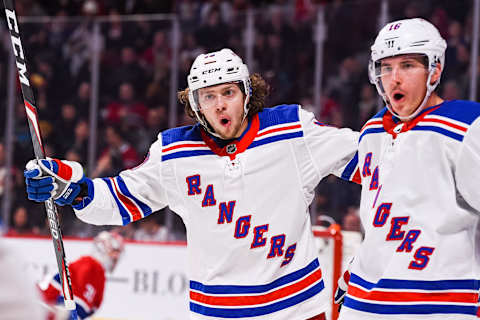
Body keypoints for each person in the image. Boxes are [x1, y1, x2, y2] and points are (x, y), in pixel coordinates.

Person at [24, 48, 359, 320]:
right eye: (209, 97)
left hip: (297, 310)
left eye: (228, 92)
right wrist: (73, 189)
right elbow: (121, 197)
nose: (220, 104)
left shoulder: (291, 133)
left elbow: (373, 160)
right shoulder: (175, 155)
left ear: (247, 93)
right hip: (217, 313)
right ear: (196, 105)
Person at [335, 18, 480, 319]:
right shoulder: (372, 131)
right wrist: (359, 265)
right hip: (364, 304)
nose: (394, 78)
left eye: (408, 65)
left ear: (435, 70)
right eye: (386, 68)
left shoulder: (466, 127)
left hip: (439, 306)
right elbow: (381, 216)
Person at [38, 231, 124, 319]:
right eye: (115, 251)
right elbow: (66, 307)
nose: (117, 257)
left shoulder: (99, 274)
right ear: (103, 248)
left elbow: (87, 310)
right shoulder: (88, 266)